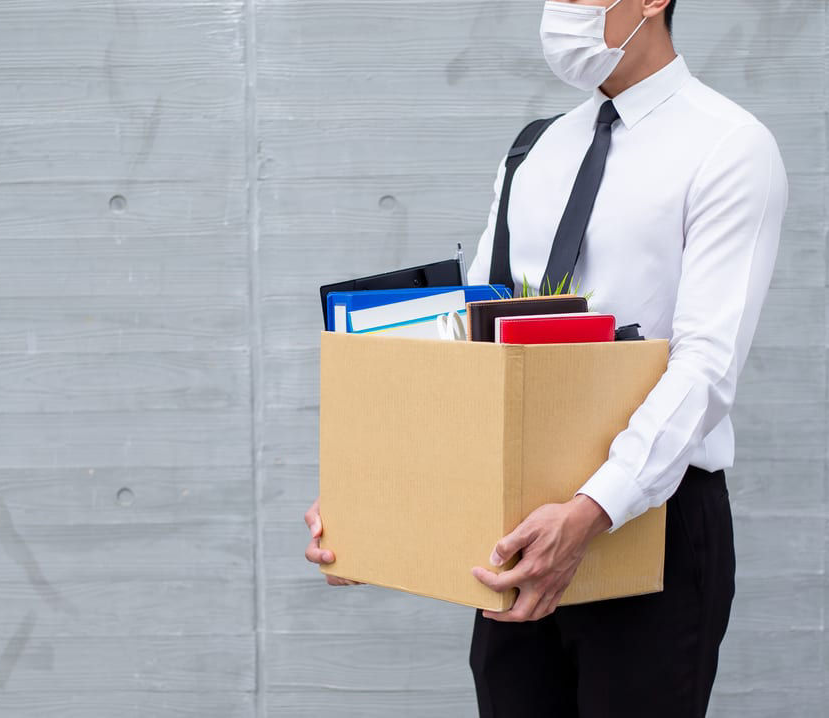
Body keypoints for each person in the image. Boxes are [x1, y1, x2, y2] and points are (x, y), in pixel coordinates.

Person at [305, 0, 788, 715]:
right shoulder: (535, 150)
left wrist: (593, 508)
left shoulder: (728, 147)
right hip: (516, 519)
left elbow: (706, 366)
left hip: (648, 519)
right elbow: (467, 346)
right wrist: (371, 505)